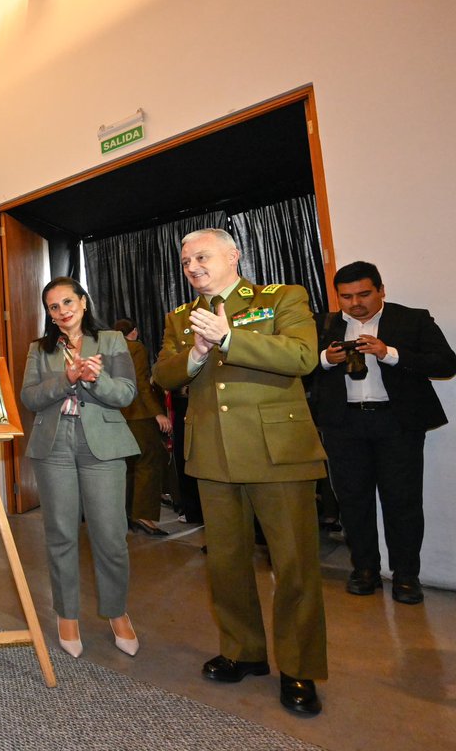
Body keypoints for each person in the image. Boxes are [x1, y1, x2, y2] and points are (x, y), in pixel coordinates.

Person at [152, 227, 328, 716]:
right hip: (213, 453)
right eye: (186, 261)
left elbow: (302, 356)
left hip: (277, 451)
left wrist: (229, 337)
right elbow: (162, 374)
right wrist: (194, 354)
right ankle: (243, 651)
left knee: (294, 565)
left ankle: (298, 667)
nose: (192, 267)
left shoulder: (281, 298)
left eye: (201, 257)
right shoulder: (181, 317)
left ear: (234, 255)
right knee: (226, 564)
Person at [312, 261, 456, 604]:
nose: (355, 303)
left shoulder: (411, 319)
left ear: (381, 290)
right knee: (352, 502)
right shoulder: (322, 325)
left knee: (402, 502)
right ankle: (364, 571)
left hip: (397, 424)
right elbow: (298, 368)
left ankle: (406, 577)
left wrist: (388, 353)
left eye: (363, 294)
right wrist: (326, 359)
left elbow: (446, 363)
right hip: (343, 425)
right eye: (346, 296)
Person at [20, 277, 141, 659]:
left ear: (83, 302)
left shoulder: (111, 341)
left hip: (102, 444)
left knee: (110, 536)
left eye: (68, 302)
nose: (62, 311)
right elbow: (29, 397)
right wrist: (67, 378)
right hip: (53, 445)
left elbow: (126, 393)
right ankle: (67, 615)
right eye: (53, 307)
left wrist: (95, 379)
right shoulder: (40, 349)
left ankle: (116, 612)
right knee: (60, 534)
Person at [113, 318, 173, 536]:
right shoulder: (136, 348)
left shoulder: (108, 348)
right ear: (135, 331)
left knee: (129, 466)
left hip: (118, 414)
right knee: (149, 462)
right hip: (139, 413)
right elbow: (141, 382)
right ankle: (143, 516)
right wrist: (158, 412)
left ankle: (128, 514)